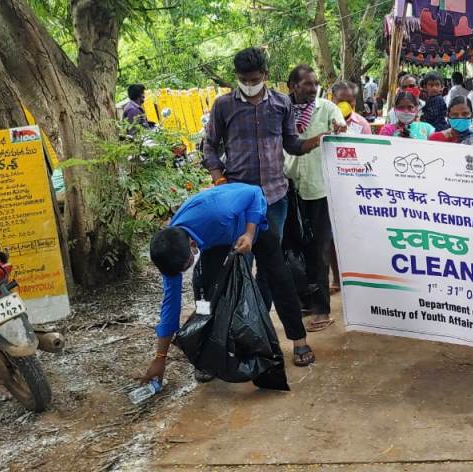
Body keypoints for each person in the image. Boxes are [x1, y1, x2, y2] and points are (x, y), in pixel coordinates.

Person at [143, 183, 313, 385]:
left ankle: (299, 340)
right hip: (219, 240)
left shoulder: (216, 210)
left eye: (186, 265)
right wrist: (160, 358)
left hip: (253, 224)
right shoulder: (169, 250)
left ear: (192, 245)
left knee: (279, 278)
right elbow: (170, 306)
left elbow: (255, 193)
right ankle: (211, 353)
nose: (183, 272)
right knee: (204, 295)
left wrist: (249, 233)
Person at [203, 49, 326, 325]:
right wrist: (218, 179)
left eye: (255, 79)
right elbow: (209, 145)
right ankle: (241, 320)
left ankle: (260, 321)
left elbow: (292, 145)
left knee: (271, 265)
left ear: (266, 75)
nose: (249, 84)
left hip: (274, 199)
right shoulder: (223, 106)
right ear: (237, 77)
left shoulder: (281, 104)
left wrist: (319, 140)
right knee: (240, 262)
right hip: (237, 199)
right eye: (244, 80)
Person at [283, 65, 346, 333]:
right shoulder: (280, 110)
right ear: (292, 86)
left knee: (319, 248)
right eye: (307, 83)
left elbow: (340, 128)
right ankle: (304, 302)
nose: (313, 88)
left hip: (319, 188)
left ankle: (321, 309)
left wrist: (339, 129)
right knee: (293, 247)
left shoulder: (327, 108)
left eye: (315, 83)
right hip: (287, 187)